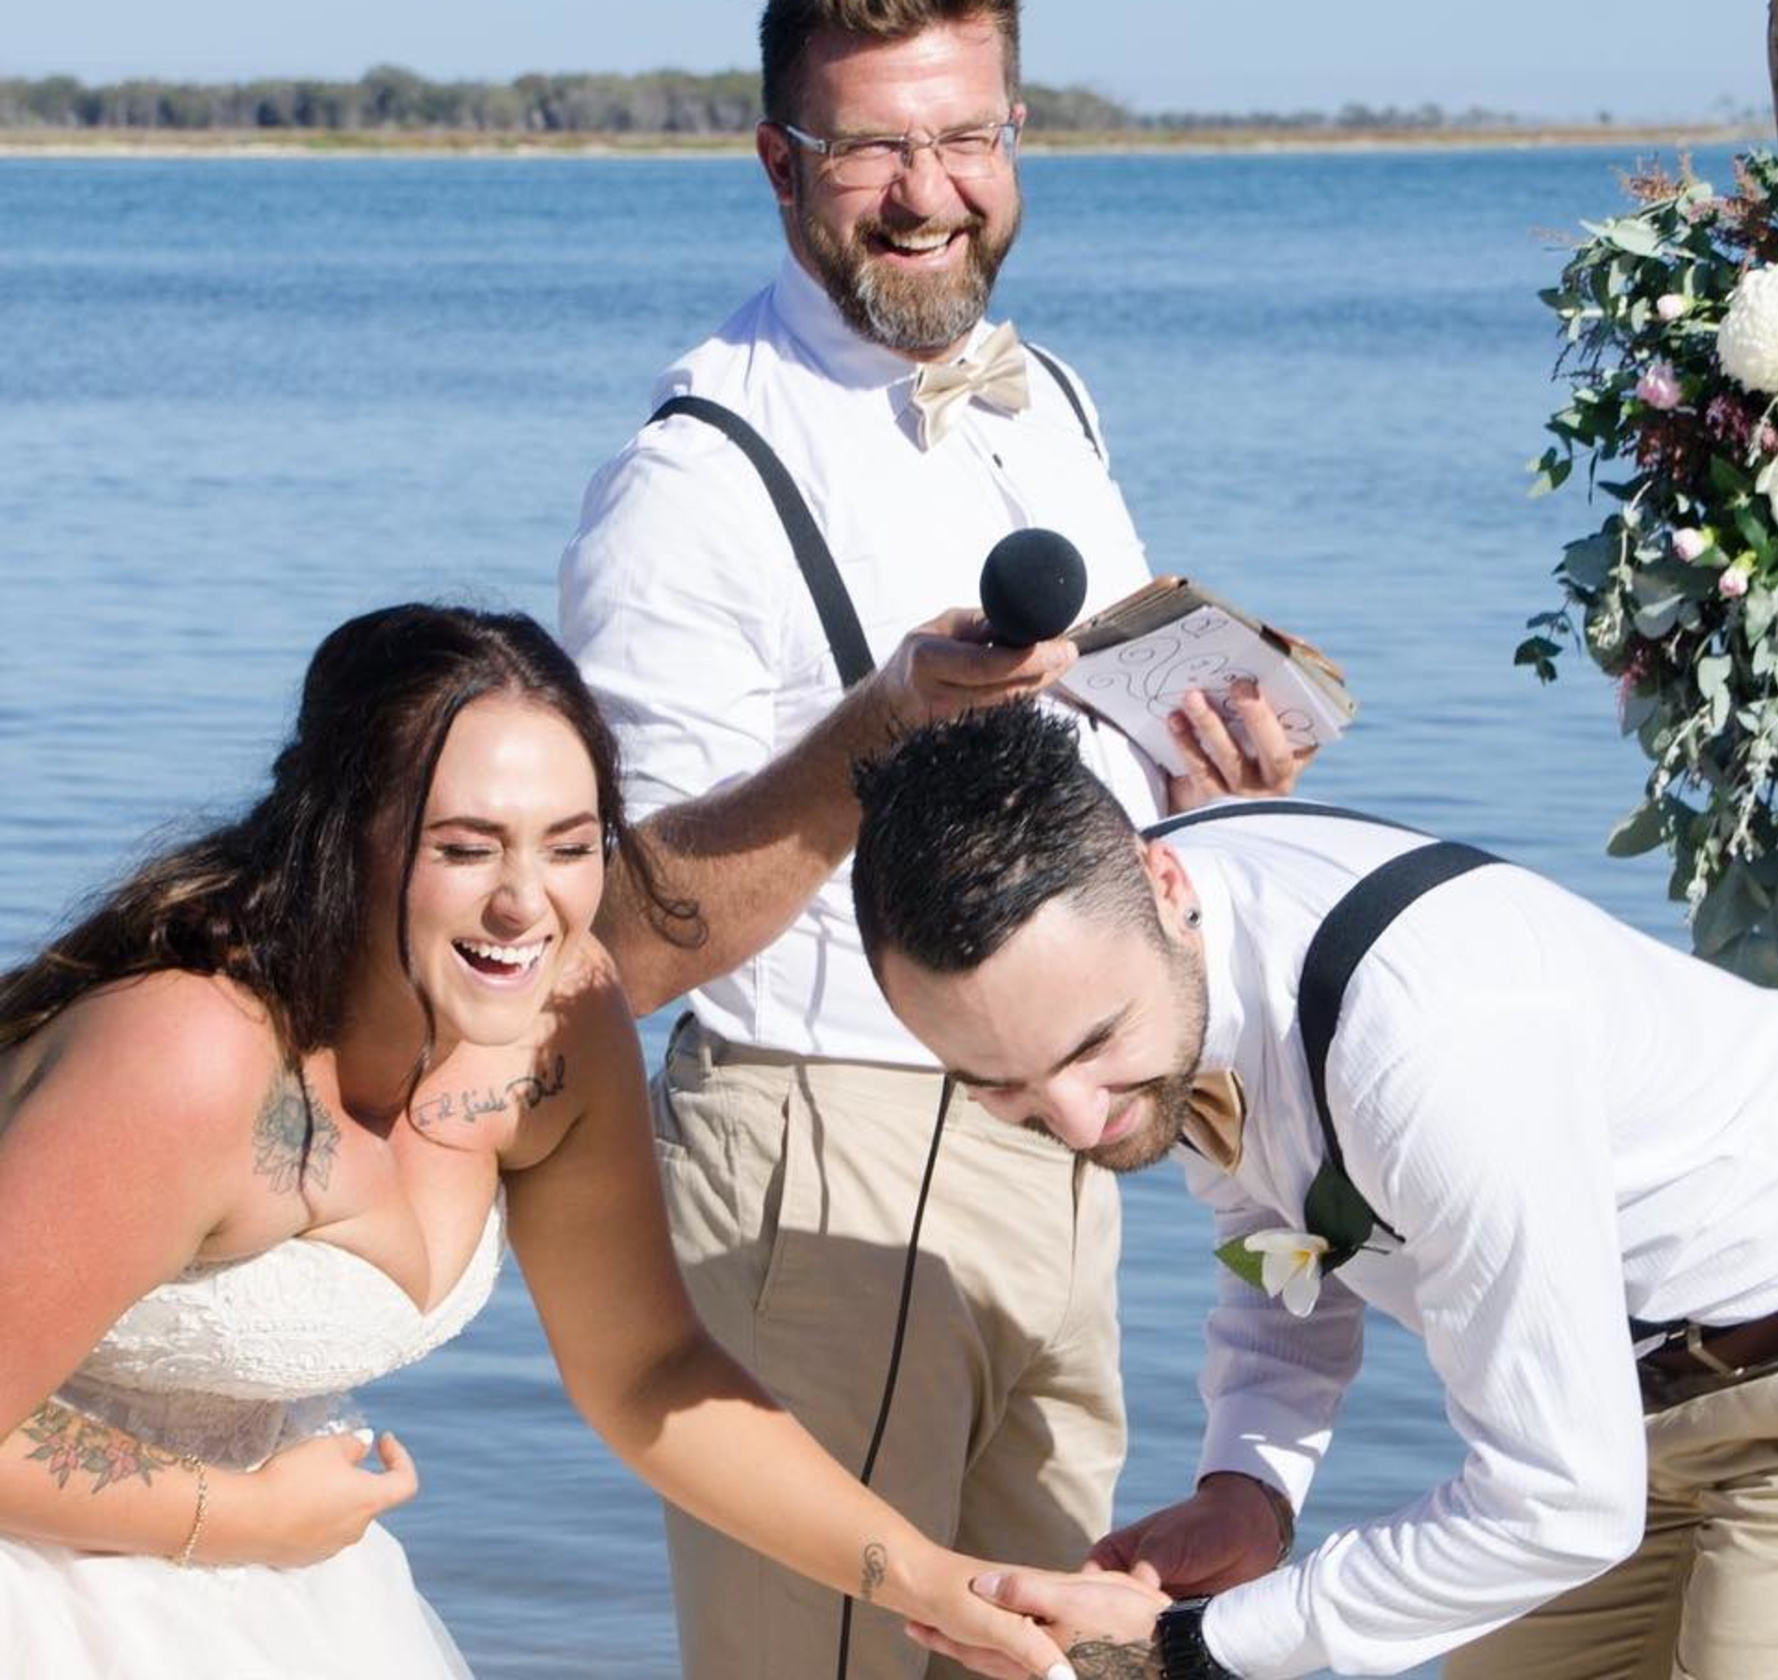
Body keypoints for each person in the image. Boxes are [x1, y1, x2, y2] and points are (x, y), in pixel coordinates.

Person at [559, 0, 1306, 1677]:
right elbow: (635, 942)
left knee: (1069, 1653)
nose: (926, 193)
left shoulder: (1045, 398)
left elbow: (1113, 760)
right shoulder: (689, 485)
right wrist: (878, 724)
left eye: (966, 137)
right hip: (828, 1157)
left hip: (1068, 1145)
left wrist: (1219, 773)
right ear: (778, 162)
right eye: (873, 146)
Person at [0, 605, 1081, 1680]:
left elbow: (649, 1374)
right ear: (340, 832)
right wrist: (230, 1515)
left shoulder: (558, 1026)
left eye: (570, 846)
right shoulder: (192, 1054)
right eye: (465, 848)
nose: (526, 904)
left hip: (275, 1577)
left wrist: (932, 1581)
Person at [847, 702, 1778, 1680]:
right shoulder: (1164, 959)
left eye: (1098, 1048)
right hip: (1613, 1394)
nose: (1083, 1122)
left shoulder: (1429, 1055)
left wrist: (1193, 1646)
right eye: (1001, 1088)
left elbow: (1560, 1499)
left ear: (1160, 881)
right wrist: (1247, 1483)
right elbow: (1279, 1226)